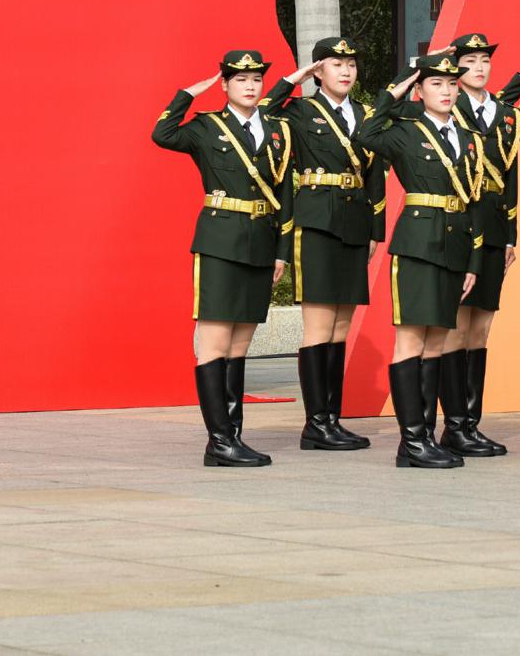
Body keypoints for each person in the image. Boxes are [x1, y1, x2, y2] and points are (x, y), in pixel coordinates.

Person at [153, 51, 293, 467]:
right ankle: (219, 440)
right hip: (220, 241)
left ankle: (232, 438)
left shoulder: (278, 131)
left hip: (262, 242)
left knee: (241, 344)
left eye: (256, 79)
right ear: (225, 85)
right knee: (214, 342)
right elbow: (162, 134)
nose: (250, 86)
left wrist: (282, 252)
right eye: (240, 79)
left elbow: (285, 193)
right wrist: (187, 94)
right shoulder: (207, 127)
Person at [354, 53, 481, 468]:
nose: (446, 91)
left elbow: (474, 200)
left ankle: (425, 436)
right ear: (419, 91)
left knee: (438, 340)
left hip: (456, 244)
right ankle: (411, 440)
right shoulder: (404, 132)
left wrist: (473, 260)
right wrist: (398, 88)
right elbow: (365, 132)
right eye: (435, 84)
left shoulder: (468, 137)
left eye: (451, 84)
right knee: (411, 338)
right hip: (418, 243)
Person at [264, 37, 386, 451]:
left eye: (350, 64)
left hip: (355, 222)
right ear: (318, 71)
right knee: (319, 326)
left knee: (340, 327)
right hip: (316, 221)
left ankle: (332, 419)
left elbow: (375, 174)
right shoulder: (300, 111)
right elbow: (264, 113)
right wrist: (294, 79)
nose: (346, 71)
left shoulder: (365, 114)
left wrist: (376, 229)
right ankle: (315, 423)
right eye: (336, 64)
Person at [437, 33, 520, 457]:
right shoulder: (447, 108)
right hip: (459, 221)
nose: (479, 68)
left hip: (493, 223)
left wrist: (511, 233)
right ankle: (453, 425)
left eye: (484, 60)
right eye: (469, 61)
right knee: (455, 325)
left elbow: (510, 175)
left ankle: (472, 423)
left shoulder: (504, 114)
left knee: (481, 327)